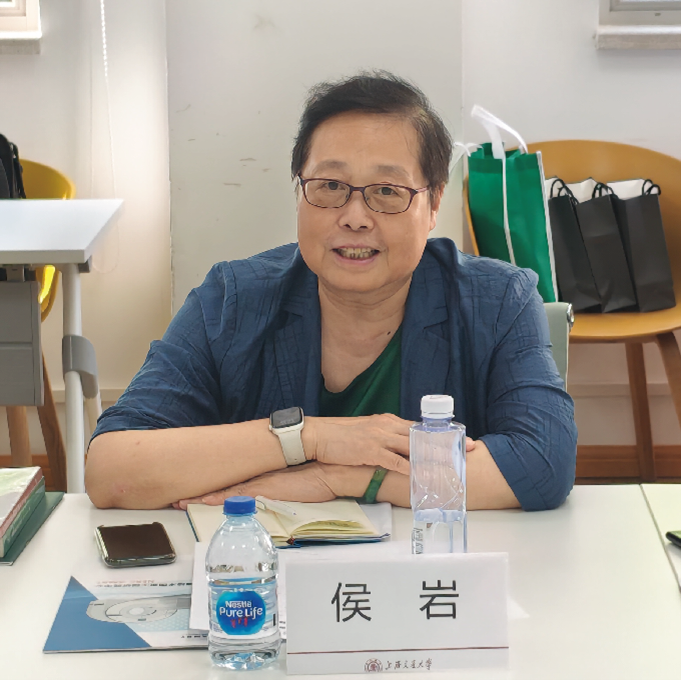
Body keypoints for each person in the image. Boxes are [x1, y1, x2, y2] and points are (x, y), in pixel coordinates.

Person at [85, 72, 577, 512]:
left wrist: (340, 478)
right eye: (330, 186)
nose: (355, 217)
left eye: (387, 191)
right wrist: (310, 438)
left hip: (428, 575)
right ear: (299, 191)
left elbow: (543, 463)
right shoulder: (232, 301)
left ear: (433, 205)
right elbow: (111, 469)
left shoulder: (499, 301)